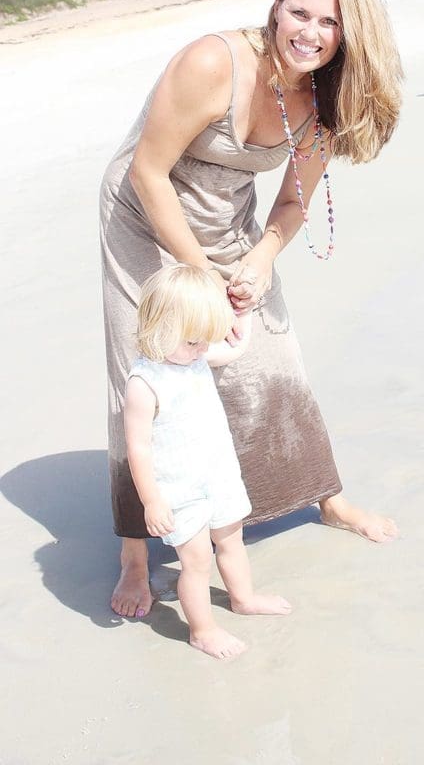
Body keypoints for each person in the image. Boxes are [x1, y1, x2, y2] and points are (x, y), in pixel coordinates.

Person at [101, 0, 404, 618]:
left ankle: (324, 498)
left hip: (225, 216)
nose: (310, 32)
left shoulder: (326, 98)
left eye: (329, 23)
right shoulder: (213, 62)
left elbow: (292, 203)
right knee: (145, 373)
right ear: (275, 7)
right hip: (142, 215)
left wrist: (263, 254)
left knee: (271, 353)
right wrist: (201, 278)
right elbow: (150, 173)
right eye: (299, 12)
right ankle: (132, 554)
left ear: (348, 34)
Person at [125, 264, 291, 657]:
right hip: (179, 489)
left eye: (204, 342)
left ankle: (243, 597)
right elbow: (139, 449)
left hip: (218, 473)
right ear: (159, 328)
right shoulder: (145, 383)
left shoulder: (194, 357)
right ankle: (201, 629)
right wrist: (152, 500)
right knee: (196, 561)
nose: (201, 350)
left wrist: (243, 315)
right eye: (192, 342)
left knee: (232, 539)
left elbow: (234, 347)